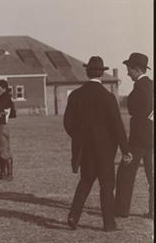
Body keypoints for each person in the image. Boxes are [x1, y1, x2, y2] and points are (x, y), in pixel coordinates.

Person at [64, 56, 131, 231]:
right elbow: (117, 126)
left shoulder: (76, 95)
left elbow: (68, 123)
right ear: (102, 73)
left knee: (85, 181)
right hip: (105, 150)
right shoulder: (108, 97)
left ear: (87, 72)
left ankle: (73, 216)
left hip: (85, 149)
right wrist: (125, 150)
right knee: (107, 186)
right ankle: (109, 224)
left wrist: (79, 137)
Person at [115, 52, 153, 218]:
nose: (128, 73)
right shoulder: (151, 85)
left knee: (125, 173)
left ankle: (122, 209)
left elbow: (135, 110)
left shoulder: (139, 87)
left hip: (138, 139)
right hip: (152, 137)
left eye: (129, 69)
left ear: (137, 69)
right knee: (152, 175)